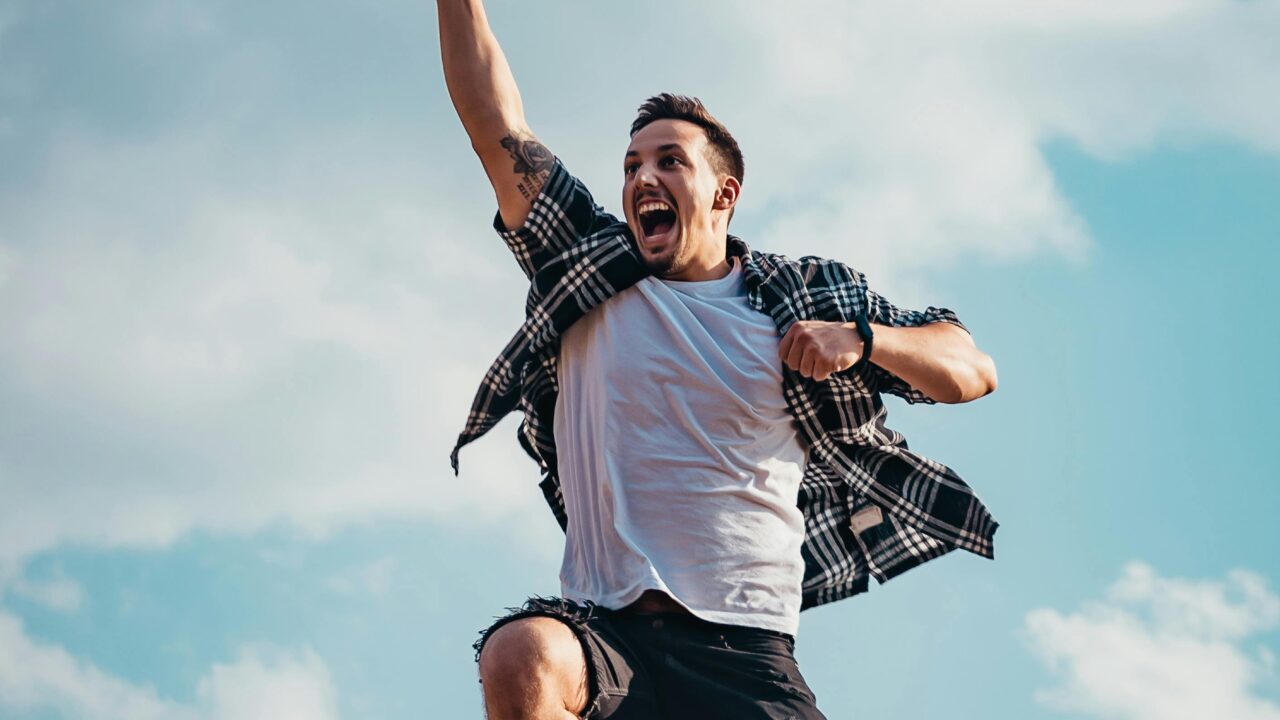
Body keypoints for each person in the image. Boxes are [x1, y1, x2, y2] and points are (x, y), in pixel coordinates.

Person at [438, 2, 1000, 718]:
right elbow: (497, 125)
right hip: (605, 636)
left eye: (670, 161)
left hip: (746, 651)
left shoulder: (800, 297)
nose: (644, 178)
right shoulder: (585, 261)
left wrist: (860, 337)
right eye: (632, 165)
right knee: (523, 655)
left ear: (724, 194)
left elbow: (970, 369)